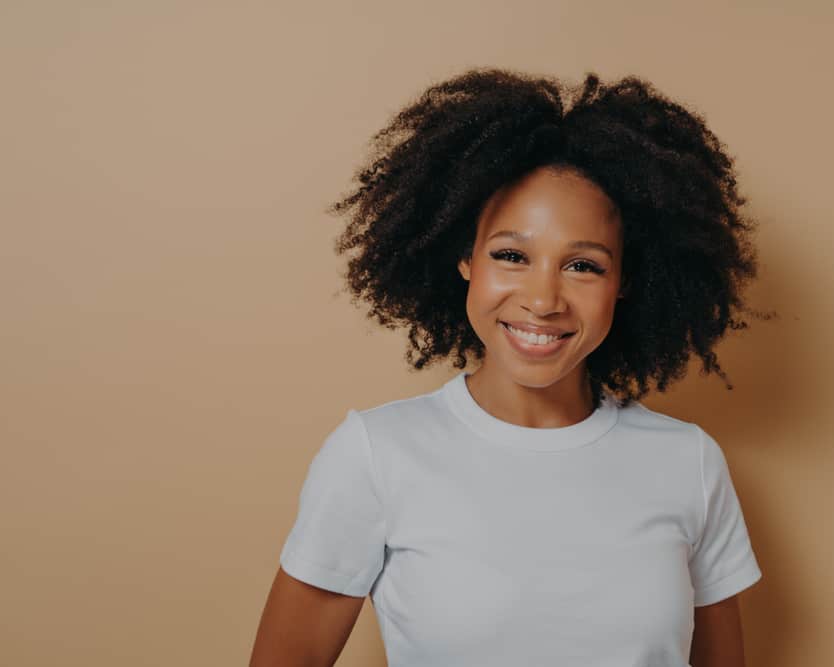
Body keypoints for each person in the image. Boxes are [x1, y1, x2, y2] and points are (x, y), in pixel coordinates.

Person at [250, 67, 772, 667]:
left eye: (584, 266)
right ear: (465, 258)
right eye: (511, 255)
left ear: (626, 282)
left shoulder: (689, 463)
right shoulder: (375, 455)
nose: (544, 299)